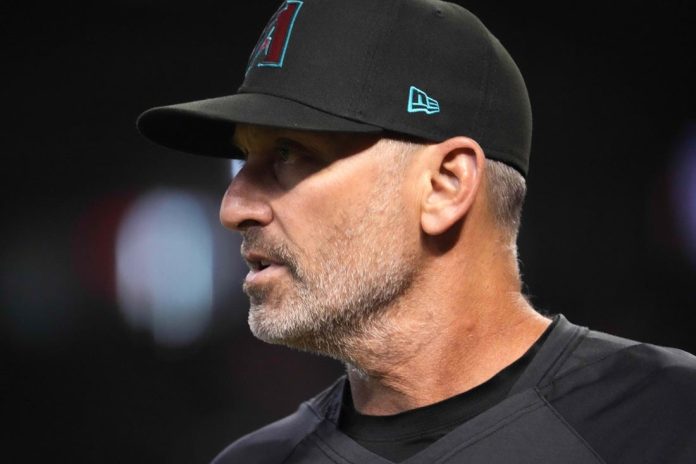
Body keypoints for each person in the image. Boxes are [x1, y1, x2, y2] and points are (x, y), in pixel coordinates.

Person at [136, 0, 696, 462]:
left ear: (445, 185)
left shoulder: (672, 418)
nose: (233, 207)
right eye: (243, 160)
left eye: (288, 152)